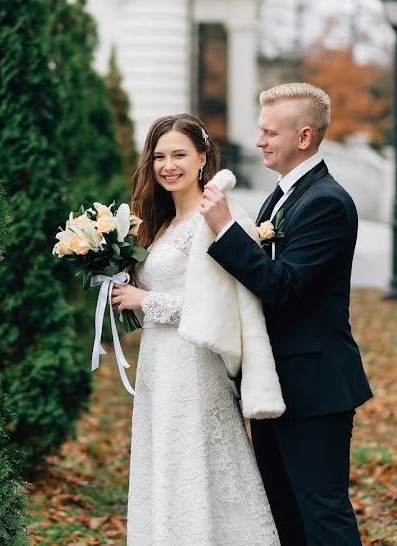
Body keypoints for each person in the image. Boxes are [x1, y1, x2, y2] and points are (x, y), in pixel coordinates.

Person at [200, 83, 373, 545]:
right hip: (274, 382)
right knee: (282, 515)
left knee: (323, 517)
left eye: (268, 132)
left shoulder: (326, 203)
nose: (258, 141)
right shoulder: (281, 196)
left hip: (315, 386)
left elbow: (284, 286)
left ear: (304, 136)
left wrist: (224, 232)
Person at [111, 114, 279, 545]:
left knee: (192, 464)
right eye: (159, 156)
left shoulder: (217, 219)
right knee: (163, 464)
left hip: (193, 365)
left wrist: (145, 302)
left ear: (202, 158)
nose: (168, 165)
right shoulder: (158, 224)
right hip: (157, 364)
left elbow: (223, 309)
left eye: (180, 155)